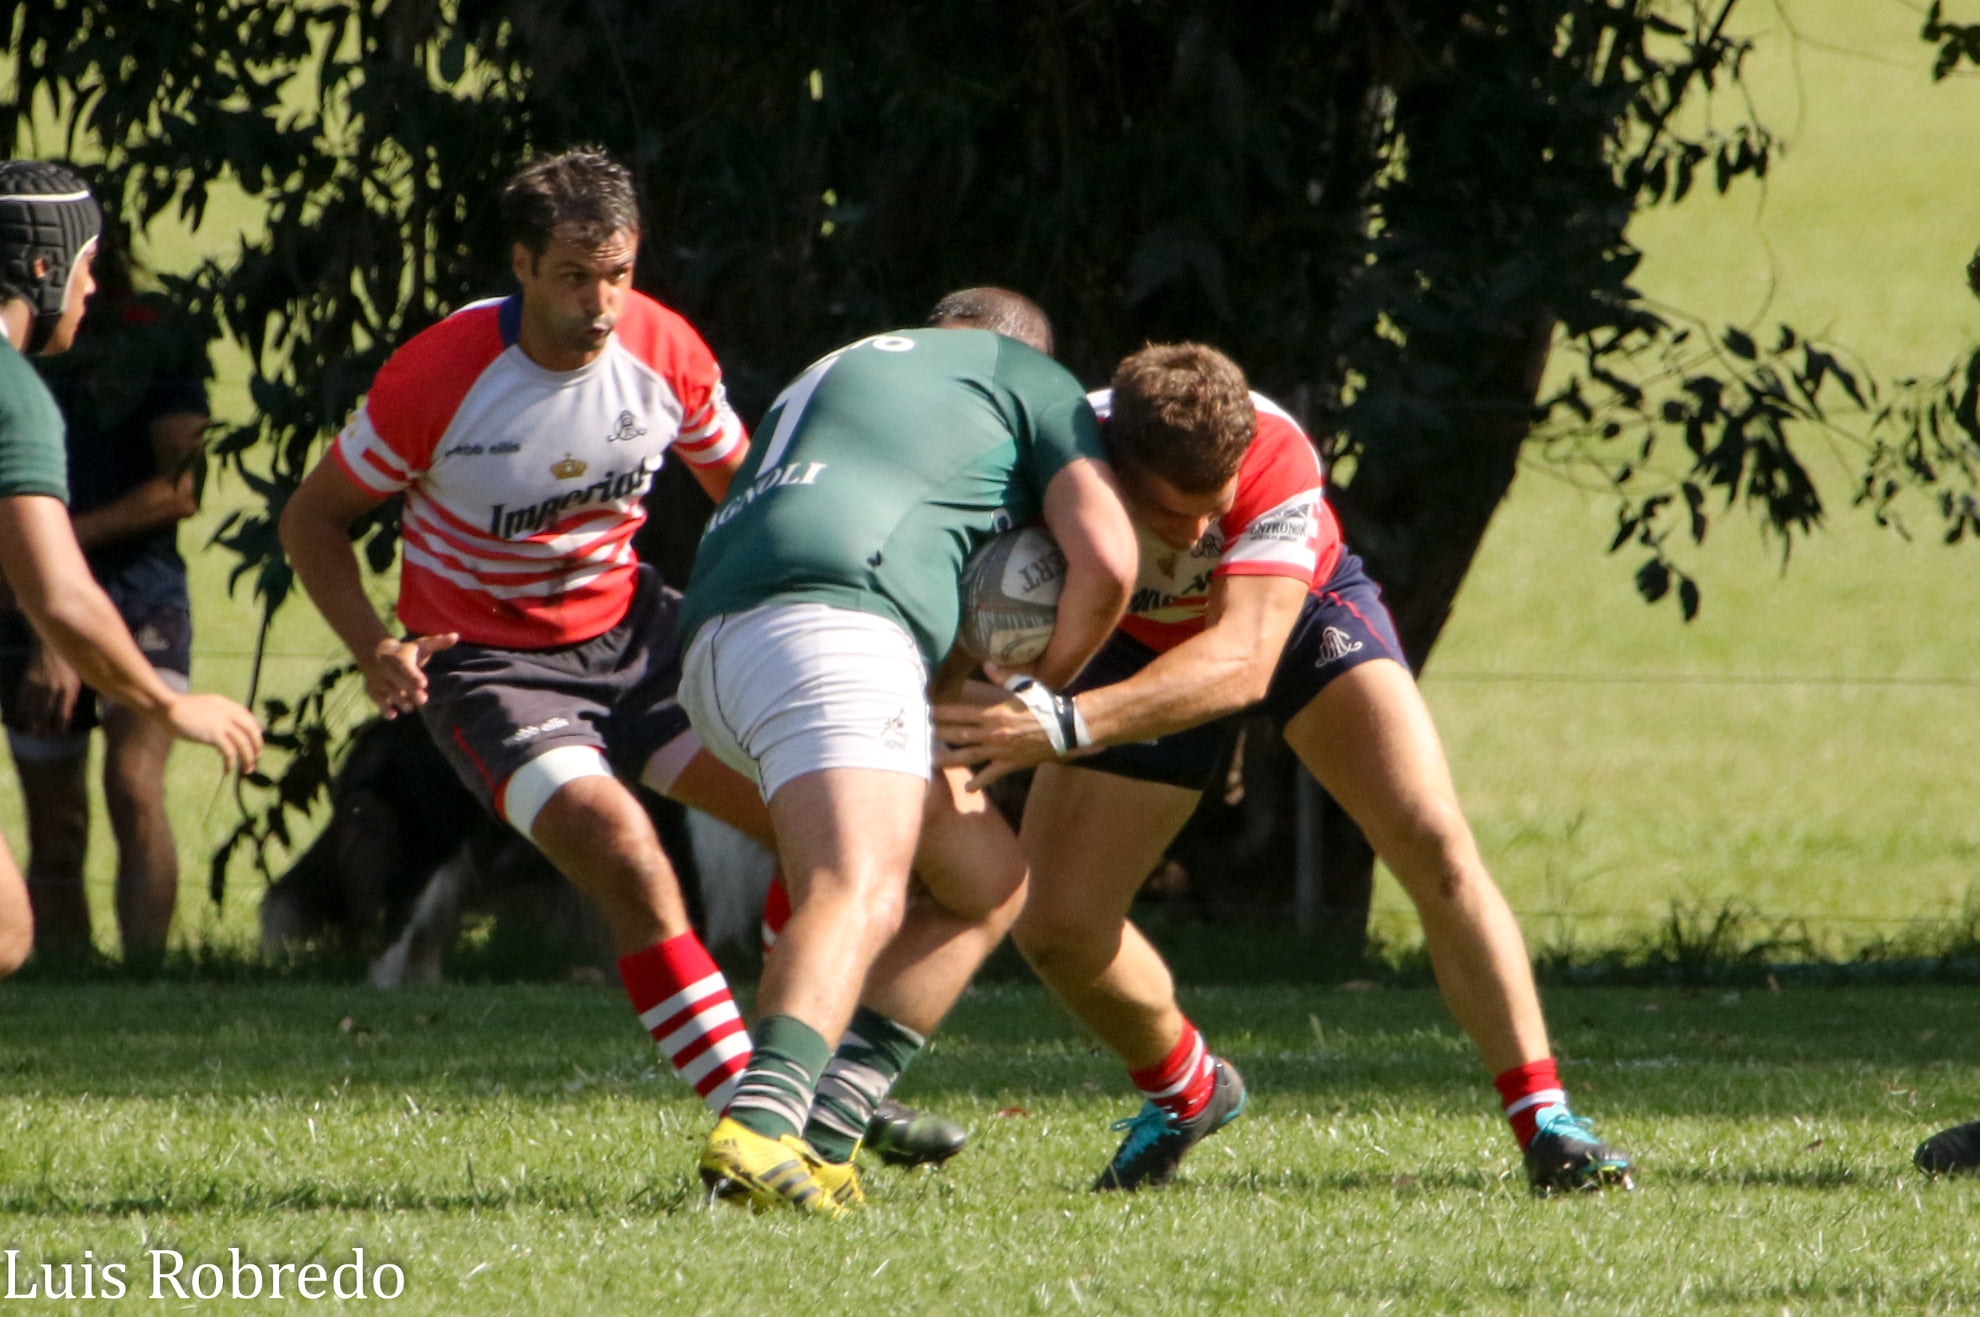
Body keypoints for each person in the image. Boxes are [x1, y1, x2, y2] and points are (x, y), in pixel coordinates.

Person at [935, 342, 1634, 1195]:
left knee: (1433, 839)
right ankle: (1186, 1088)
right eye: (1169, 510)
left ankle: (1549, 1124)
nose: (1196, 534)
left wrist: (1063, 720)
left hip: (1292, 616)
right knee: (1056, 924)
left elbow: (1242, 658)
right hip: (1129, 638)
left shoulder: (1273, 447)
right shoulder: (1055, 458)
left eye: (1213, 508)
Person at [282, 149, 766, 1113]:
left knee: (811, 812)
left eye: (618, 276)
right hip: (489, 667)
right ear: (523, 264)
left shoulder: (666, 352)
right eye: (574, 277)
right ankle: (752, 1106)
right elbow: (312, 520)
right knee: (622, 844)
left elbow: (754, 502)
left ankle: (818, 1069)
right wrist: (375, 644)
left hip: (634, 635)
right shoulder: (441, 376)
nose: (600, 304)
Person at [676, 288, 1139, 1214]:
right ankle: (761, 1126)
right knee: (856, 886)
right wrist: (1032, 698)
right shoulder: (1025, 374)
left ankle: (828, 1130)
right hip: (839, 621)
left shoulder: (837, 362)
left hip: (712, 653)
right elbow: (1112, 562)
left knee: (987, 880)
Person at [0, 159, 262, 975]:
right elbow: (62, 592)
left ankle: (138, 972)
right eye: (84, 269)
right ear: (45, 269)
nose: (91, 291)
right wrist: (167, 704)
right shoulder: (15, 394)